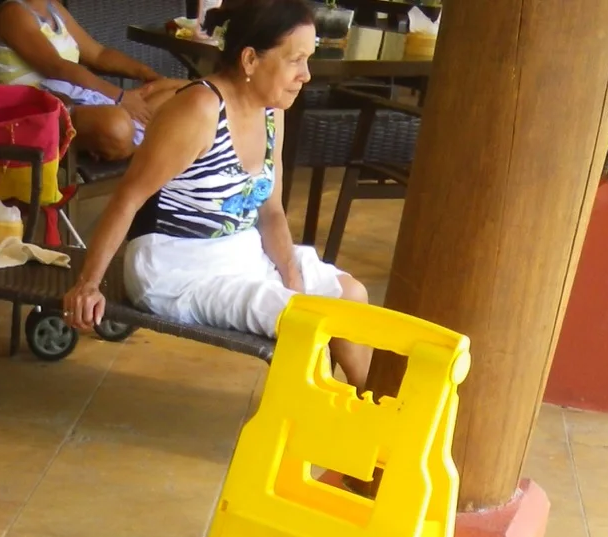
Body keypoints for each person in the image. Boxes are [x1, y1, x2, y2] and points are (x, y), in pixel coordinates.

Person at [60, 0, 373, 388]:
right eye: (295, 60)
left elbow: (271, 211)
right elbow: (129, 197)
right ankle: (319, 416)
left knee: (350, 296)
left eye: (308, 60)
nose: (306, 75)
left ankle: (368, 406)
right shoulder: (199, 109)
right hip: (176, 265)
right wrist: (88, 284)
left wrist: (291, 279)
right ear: (250, 59)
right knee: (306, 322)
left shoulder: (272, 110)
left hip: (240, 252)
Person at [0, 0, 190, 160]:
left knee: (188, 91)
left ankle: (137, 138)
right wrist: (120, 97)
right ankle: (146, 144)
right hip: (41, 114)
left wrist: (146, 74)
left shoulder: (54, 8)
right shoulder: (13, 13)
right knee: (117, 127)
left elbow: (99, 55)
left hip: (83, 99)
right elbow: (57, 67)